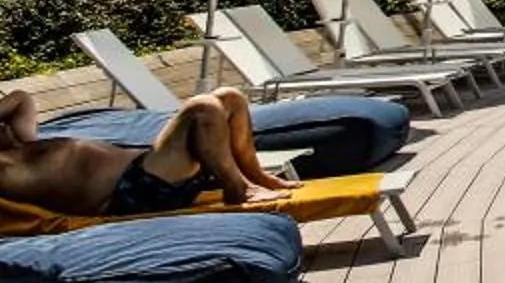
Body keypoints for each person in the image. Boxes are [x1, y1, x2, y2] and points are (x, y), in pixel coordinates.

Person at [0, 85, 296, 220]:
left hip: (149, 169)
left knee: (230, 97)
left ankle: (256, 177)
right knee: (202, 109)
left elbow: (19, 98)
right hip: (133, 193)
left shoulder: (23, 142)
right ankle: (238, 190)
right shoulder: (7, 166)